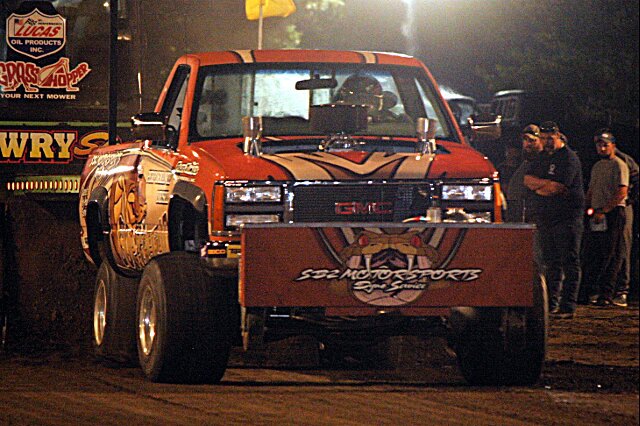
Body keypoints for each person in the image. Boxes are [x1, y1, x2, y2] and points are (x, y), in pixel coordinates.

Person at [524, 121, 585, 319]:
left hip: (567, 217)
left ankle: (568, 306)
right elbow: (527, 180)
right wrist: (544, 185)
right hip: (547, 216)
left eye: (549, 138)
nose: (546, 142)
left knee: (569, 261)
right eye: (543, 138)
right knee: (550, 262)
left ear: (558, 136)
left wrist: (540, 186)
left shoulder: (569, 158)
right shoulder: (542, 157)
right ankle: (551, 303)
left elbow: (557, 187)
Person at [582, 130, 630, 307]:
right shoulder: (597, 166)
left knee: (612, 254)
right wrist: (587, 208)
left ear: (613, 146)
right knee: (595, 253)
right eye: (599, 145)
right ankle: (592, 290)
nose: (602, 148)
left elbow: (622, 191)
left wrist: (605, 210)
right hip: (596, 212)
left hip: (613, 213)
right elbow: (591, 190)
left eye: (605, 145)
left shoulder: (619, 165)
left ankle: (607, 293)